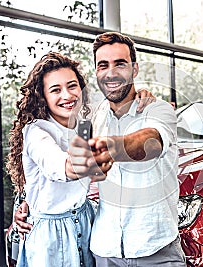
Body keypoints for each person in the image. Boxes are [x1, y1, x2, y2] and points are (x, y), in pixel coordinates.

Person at [7, 51, 154, 267]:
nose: (67, 96)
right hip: (50, 234)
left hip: (86, 220)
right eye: (55, 90)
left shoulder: (84, 124)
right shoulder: (36, 131)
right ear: (42, 96)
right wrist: (92, 161)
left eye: (72, 86)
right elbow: (58, 167)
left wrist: (141, 97)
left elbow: (119, 112)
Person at [68, 31, 186, 266]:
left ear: (134, 69)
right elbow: (65, 167)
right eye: (103, 65)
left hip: (156, 249)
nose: (111, 73)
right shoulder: (91, 117)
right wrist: (28, 203)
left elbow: (152, 142)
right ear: (97, 72)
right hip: (105, 249)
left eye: (120, 64)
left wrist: (111, 147)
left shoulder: (158, 109)